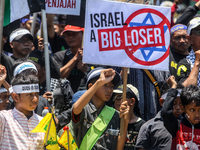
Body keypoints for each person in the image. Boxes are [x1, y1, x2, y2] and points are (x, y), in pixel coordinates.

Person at [72, 67, 129, 149]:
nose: (109, 90)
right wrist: (99, 82)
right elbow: (76, 108)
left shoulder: (115, 115)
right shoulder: (83, 110)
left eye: (112, 86)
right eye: (105, 85)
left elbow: (119, 148)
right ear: (91, 86)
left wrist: (125, 121)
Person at [0, 66, 45, 149]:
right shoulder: (4, 118)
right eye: (29, 95)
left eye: (36, 94)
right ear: (16, 97)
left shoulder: (43, 123)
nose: (35, 99)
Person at [135, 81, 183, 150]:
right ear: (162, 102)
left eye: (181, 103)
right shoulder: (149, 126)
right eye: (174, 103)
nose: (178, 107)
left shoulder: (186, 125)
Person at [161, 76, 200, 149]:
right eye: (192, 110)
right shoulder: (177, 126)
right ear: (183, 108)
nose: (197, 114)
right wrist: (173, 88)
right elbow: (166, 112)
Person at [54, 25, 88, 93]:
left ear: (83, 34)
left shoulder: (92, 56)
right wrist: (75, 59)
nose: (71, 37)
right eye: (68, 35)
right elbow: (58, 77)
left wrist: (86, 70)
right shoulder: (59, 56)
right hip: (65, 98)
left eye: (74, 34)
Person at [114, 84, 146, 150]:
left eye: (120, 96)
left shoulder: (142, 126)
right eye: (114, 97)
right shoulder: (113, 122)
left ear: (132, 101)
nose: (116, 100)